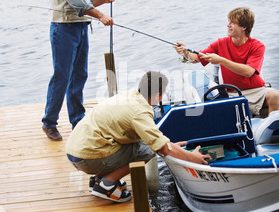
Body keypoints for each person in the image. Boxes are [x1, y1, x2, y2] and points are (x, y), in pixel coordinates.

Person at [66, 71, 211, 203]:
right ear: (156, 95)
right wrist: (193, 157)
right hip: (88, 157)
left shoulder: (130, 96)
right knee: (147, 151)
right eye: (162, 94)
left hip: (76, 151)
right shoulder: (140, 112)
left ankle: (98, 180)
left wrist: (171, 145)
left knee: (143, 144)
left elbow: (153, 138)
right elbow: (162, 148)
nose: (162, 98)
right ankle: (106, 184)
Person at [42, 0, 115, 141]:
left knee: (80, 75)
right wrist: (101, 16)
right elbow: (79, 4)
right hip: (64, 29)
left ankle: (78, 120)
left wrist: (103, 0)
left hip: (81, 28)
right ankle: (49, 122)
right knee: (62, 76)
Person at [174, 7, 279, 117]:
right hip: (232, 93)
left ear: (244, 27)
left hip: (255, 90)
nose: (228, 25)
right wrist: (185, 52)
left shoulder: (257, 46)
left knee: (275, 95)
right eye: (228, 21)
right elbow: (197, 57)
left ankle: (276, 129)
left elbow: (248, 72)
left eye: (233, 22)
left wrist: (221, 60)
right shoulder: (221, 43)